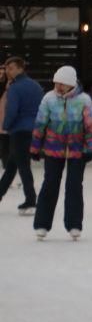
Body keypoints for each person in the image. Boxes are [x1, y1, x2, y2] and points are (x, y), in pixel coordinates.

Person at [31, 66, 92, 240]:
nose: (58, 86)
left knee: (74, 186)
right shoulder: (49, 98)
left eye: (62, 83)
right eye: (56, 83)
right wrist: (35, 147)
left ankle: (74, 224)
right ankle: (42, 224)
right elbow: (40, 124)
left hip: (77, 150)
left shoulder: (84, 100)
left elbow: (91, 126)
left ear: (70, 84)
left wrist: (89, 148)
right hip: (54, 148)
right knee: (50, 184)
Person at [0, 57, 42, 214]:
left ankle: (31, 199)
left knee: (23, 166)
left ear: (20, 68)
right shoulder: (36, 86)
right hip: (33, 129)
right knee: (12, 165)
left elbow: (12, 110)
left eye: (11, 68)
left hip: (19, 130)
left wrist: (6, 125)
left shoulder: (15, 88)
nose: (8, 72)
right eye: (7, 69)